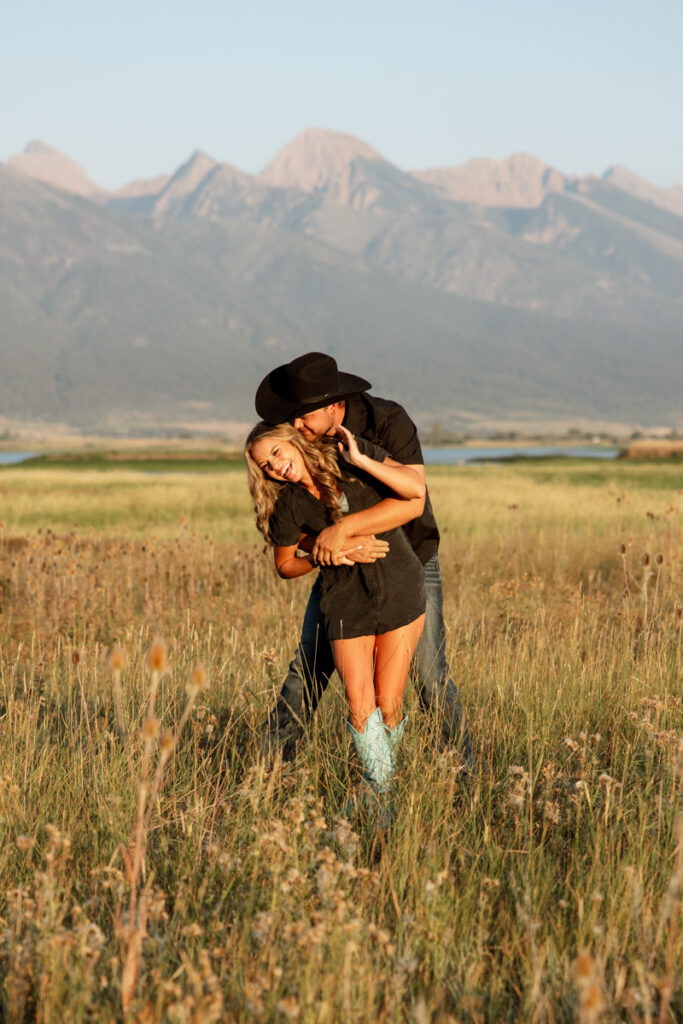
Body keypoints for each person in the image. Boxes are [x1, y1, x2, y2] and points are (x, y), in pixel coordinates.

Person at [255, 351, 473, 766]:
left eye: (302, 418)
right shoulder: (306, 441)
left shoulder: (388, 422)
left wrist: (343, 531)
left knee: (429, 674)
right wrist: (330, 546)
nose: (296, 429)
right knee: (307, 671)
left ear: (332, 406)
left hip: (409, 559)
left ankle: (463, 774)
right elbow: (296, 519)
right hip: (341, 567)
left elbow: (413, 495)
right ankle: (270, 775)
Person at [246, 420, 426, 797]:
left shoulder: (349, 460)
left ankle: (378, 796)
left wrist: (360, 458)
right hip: (344, 600)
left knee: (389, 704)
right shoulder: (288, 505)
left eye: (276, 453)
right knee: (360, 705)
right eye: (266, 466)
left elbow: (414, 490)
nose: (275, 466)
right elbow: (284, 565)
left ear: (293, 442)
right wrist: (328, 553)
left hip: (397, 584)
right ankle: (384, 802)